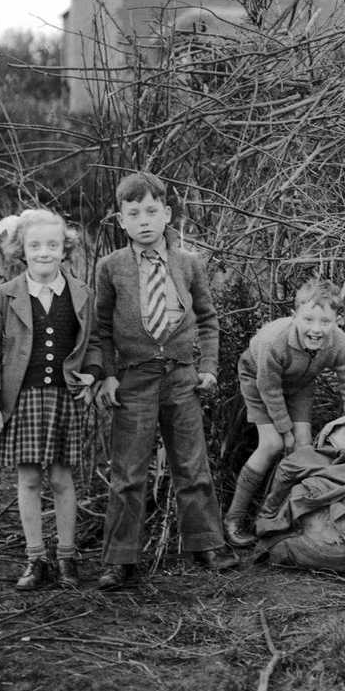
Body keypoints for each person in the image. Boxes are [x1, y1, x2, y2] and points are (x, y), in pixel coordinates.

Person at [89, 171, 237, 590]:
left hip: (181, 378)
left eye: (152, 211)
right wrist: (108, 377)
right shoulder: (111, 268)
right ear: (121, 220)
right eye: (133, 213)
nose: (144, 221)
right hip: (134, 381)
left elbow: (207, 319)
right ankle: (120, 559)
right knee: (129, 472)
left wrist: (207, 366)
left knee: (192, 465)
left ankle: (207, 543)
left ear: (167, 213)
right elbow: (101, 329)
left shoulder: (188, 263)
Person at [0, 209, 98, 590]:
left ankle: (66, 558)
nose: (44, 252)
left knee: (63, 480)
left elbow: (92, 342)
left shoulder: (81, 293)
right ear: (21, 250)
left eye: (52, 245)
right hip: (22, 400)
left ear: (65, 249)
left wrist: (92, 372)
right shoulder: (4, 295)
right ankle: (35, 559)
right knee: (28, 480)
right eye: (35, 245)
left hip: (63, 399)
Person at [223, 278, 345, 547]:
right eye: (308, 319)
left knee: (303, 449)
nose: (316, 329)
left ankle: (281, 519)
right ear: (294, 316)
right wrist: (285, 431)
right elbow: (269, 388)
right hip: (258, 381)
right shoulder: (273, 340)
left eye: (325, 322)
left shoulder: (340, 344)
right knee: (273, 444)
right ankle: (234, 518)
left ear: (337, 321)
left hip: (300, 384)